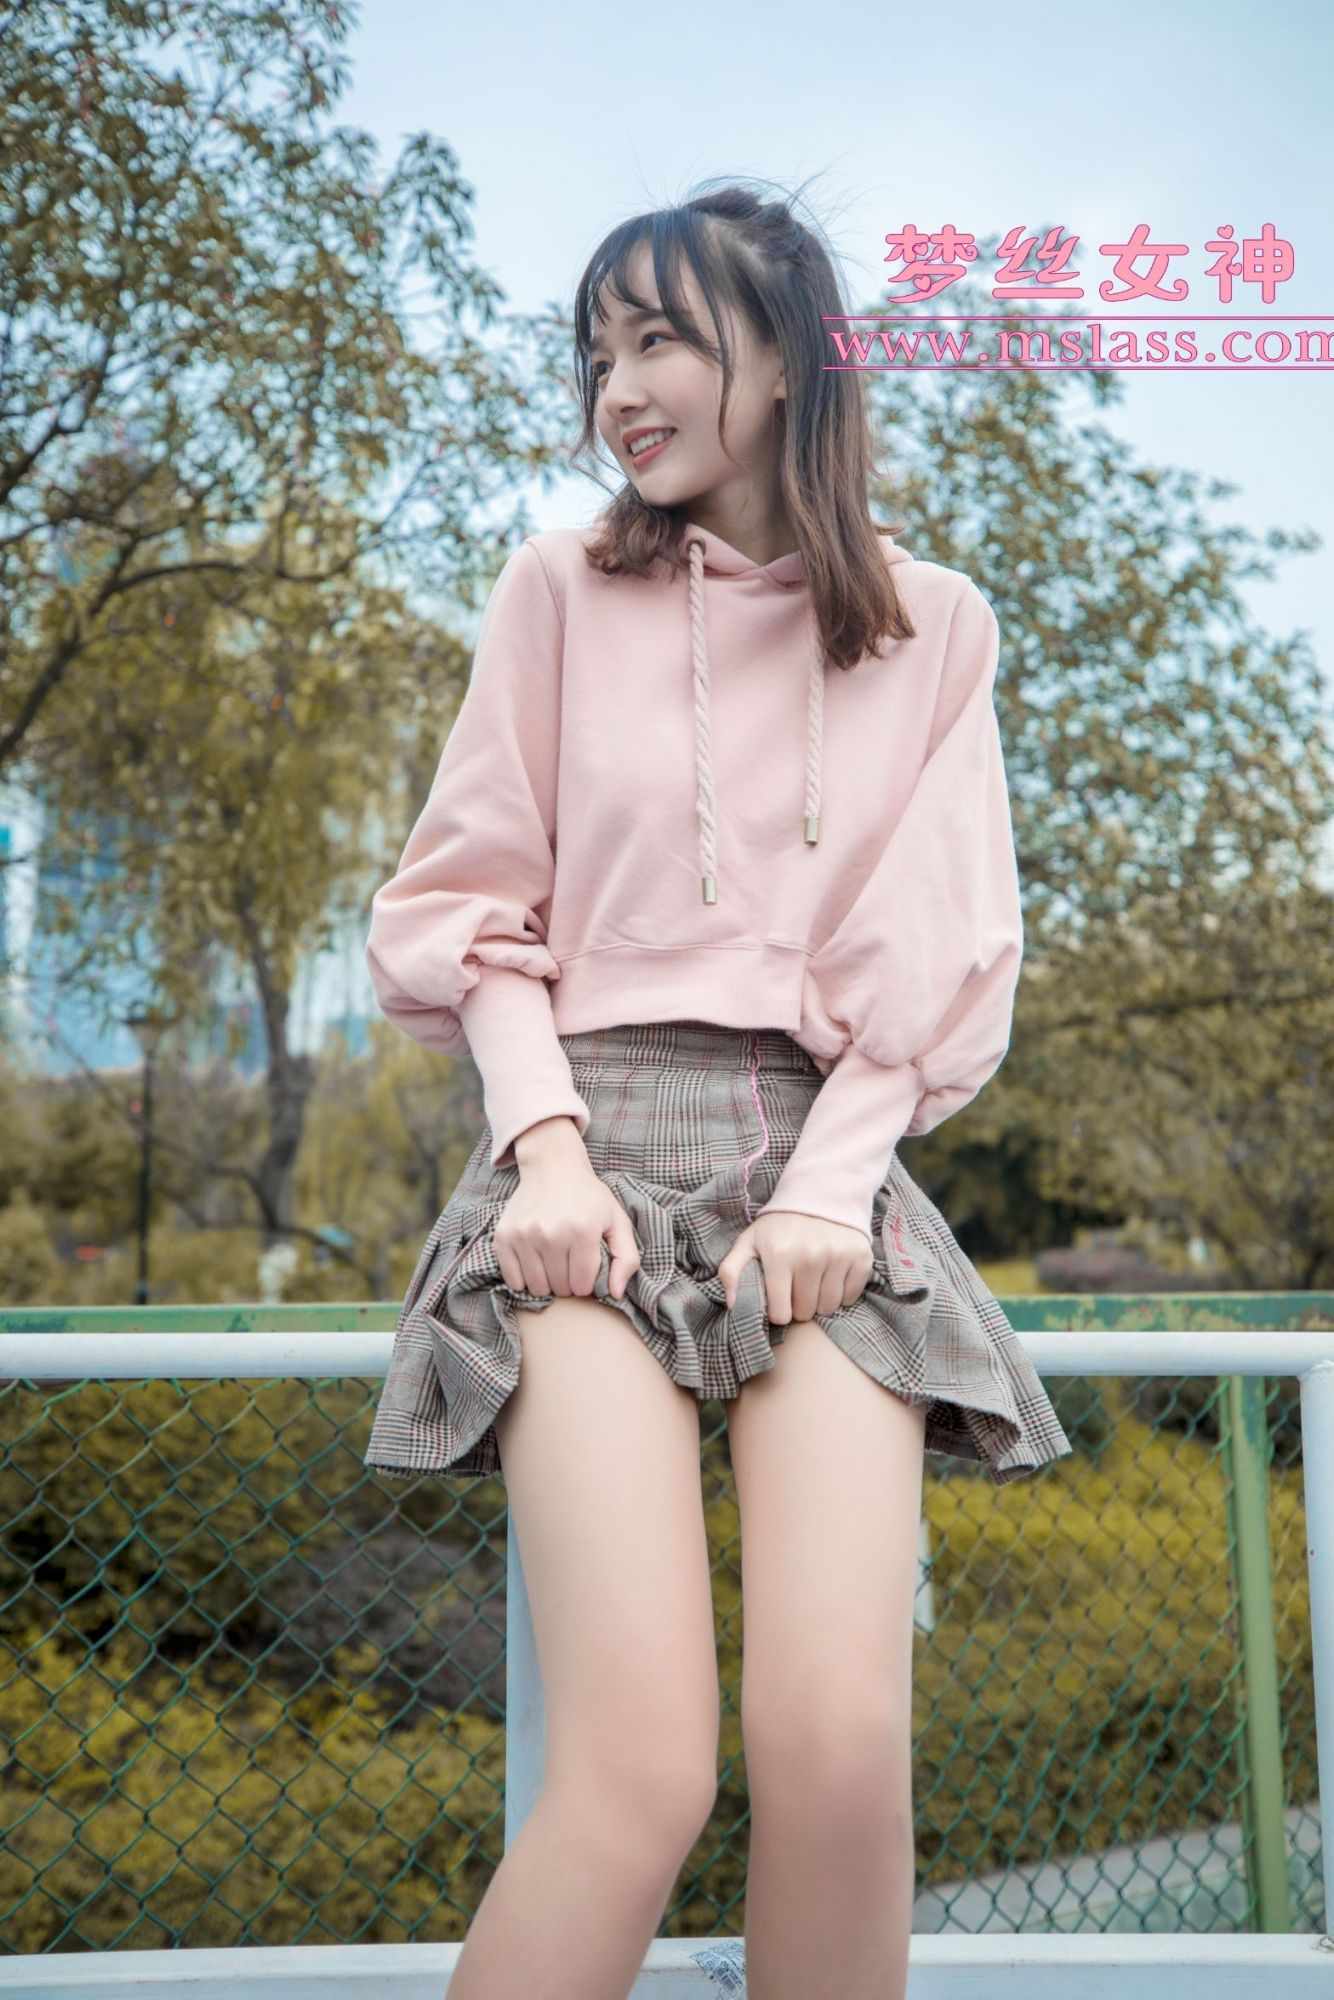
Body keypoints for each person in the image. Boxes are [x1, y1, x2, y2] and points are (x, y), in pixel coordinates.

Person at [363, 178, 1073, 2000]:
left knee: (837, 1749)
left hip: (817, 1156)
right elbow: (472, 908)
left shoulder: (932, 623)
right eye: (597, 351)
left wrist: (831, 1192)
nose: (618, 388)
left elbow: (935, 944)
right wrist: (542, 1156)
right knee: (642, 1766)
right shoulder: (560, 589)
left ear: (784, 357)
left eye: (660, 340)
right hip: (577, 1150)